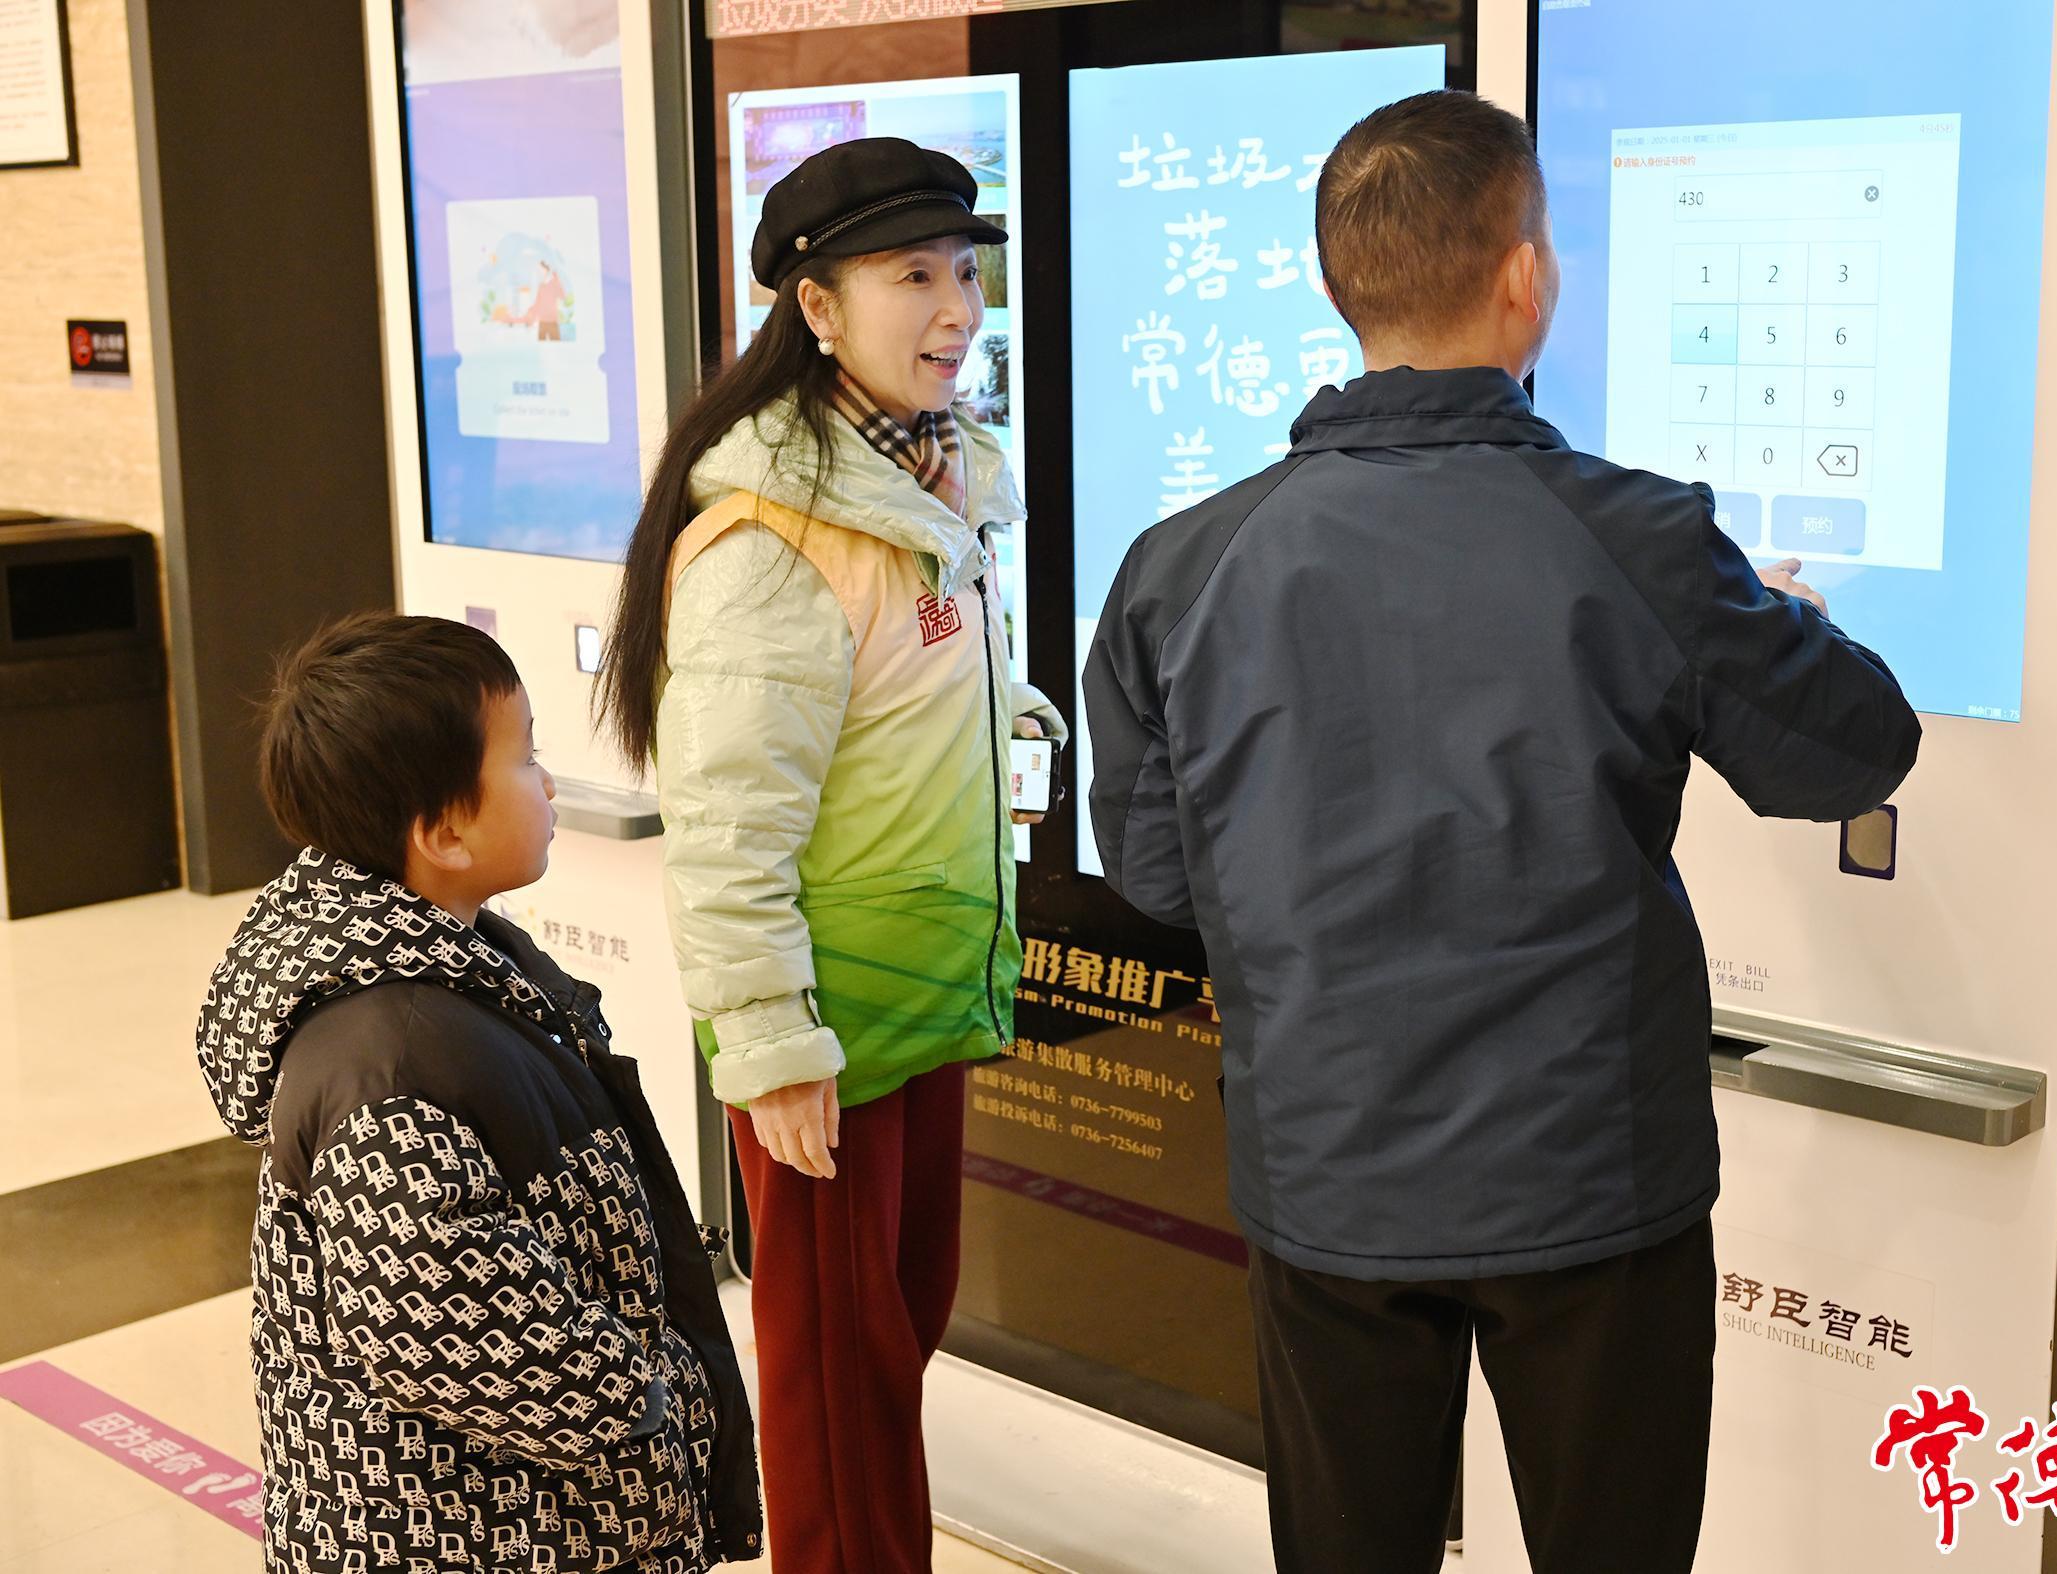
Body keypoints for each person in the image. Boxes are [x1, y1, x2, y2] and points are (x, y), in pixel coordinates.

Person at [1084, 90, 1921, 1574]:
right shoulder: (1641, 538)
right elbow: (1856, 749)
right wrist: (1775, 618)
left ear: (1339, 285)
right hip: (1593, 1179)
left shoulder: (1179, 565)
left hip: (1328, 1172)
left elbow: (1155, 875)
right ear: (1523, 275)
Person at [596, 136, 1065, 1574]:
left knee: (894, 1337)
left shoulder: (921, 480)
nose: (956, 308)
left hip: (917, 995)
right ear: (814, 306)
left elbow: (892, 685)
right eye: (911, 275)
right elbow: (728, 826)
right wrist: (772, 1041)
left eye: (965, 271)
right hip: (827, 1030)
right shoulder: (770, 536)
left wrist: (1002, 721)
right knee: (837, 1385)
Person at [194, 612, 761, 1573]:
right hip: (485, 1535)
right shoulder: (390, 1067)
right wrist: (646, 1397)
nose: (548, 782)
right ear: (444, 832)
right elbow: (429, 1318)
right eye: (526, 758)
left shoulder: (454, 971)